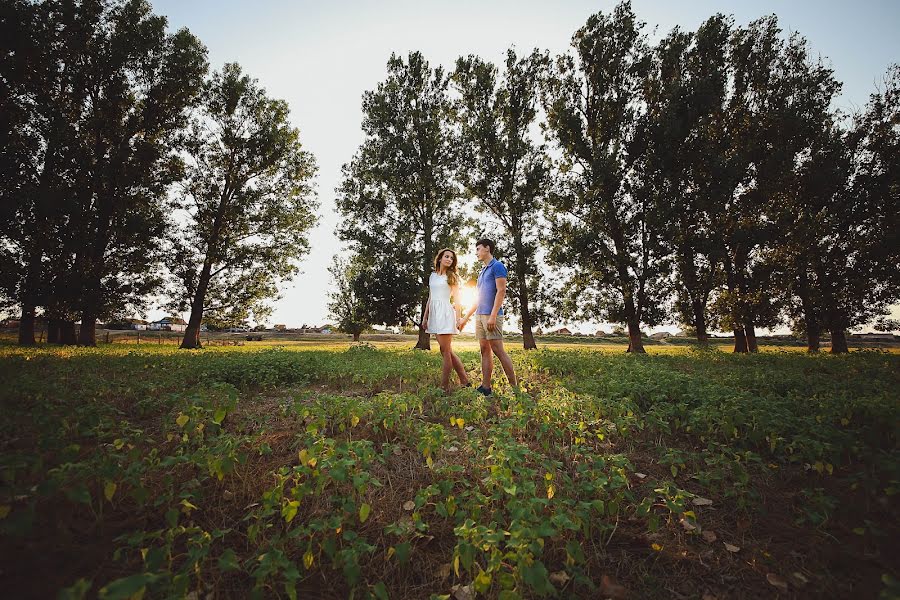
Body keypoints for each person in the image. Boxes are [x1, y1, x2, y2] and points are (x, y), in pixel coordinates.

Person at [458, 238, 518, 396]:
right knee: (484, 350)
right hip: (480, 315)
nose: (476, 252)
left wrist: (492, 316)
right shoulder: (482, 271)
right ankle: (486, 387)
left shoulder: (497, 266)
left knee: (498, 350)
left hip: (492, 315)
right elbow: (478, 298)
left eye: (478, 249)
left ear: (487, 248)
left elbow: (501, 291)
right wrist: (465, 317)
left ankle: (515, 389)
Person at [423, 248, 472, 392]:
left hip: (445, 313)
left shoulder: (452, 277)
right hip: (434, 314)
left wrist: (458, 319)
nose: (449, 259)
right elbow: (430, 298)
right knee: (446, 350)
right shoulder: (432, 276)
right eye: (446, 256)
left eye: (451, 258)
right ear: (439, 258)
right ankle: (465, 381)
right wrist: (425, 317)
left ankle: (443, 387)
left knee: (445, 351)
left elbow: (457, 300)